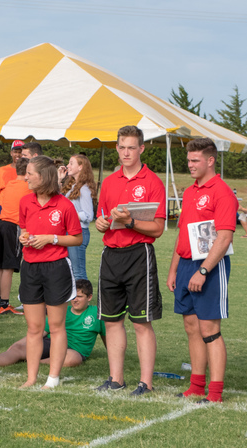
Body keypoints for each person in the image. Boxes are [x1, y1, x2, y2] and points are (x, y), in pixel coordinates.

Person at [94, 125, 167, 395]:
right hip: (110, 255)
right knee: (112, 321)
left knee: (141, 322)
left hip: (139, 255)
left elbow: (158, 229)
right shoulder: (110, 181)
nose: (126, 152)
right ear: (117, 148)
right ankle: (116, 379)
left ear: (141, 149)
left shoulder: (153, 182)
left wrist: (131, 222)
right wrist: (101, 223)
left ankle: (145, 383)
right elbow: (102, 218)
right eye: (122, 147)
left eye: (131, 147)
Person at [167, 137, 237, 403]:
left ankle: (215, 392)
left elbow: (224, 237)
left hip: (209, 266)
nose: (190, 165)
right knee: (191, 326)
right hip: (186, 265)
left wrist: (204, 270)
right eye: (188, 160)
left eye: (195, 160)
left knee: (210, 328)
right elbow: (182, 233)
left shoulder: (222, 192)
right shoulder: (189, 191)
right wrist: (174, 269)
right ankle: (196, 386)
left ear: (210, 160)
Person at [17, 155, 83, 389]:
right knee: (34, 328)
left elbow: (77, 238)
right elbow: (24, 230)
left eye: (30, 173)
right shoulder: (25, 202)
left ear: (44, 177)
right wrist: (24, 237)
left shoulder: (65, 205)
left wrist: (51, 239)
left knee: (55, 327)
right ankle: (31, 378)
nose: (25, 177)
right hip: (30, 268)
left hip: (56, 269)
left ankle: (52, 379)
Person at [0, 279, 104, 372]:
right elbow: (42, 332)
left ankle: (38, 361)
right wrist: (19, 344)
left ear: (89, 297)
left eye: (80, 296)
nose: (75, 300)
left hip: (73, 351)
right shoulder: (63, 311)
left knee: (74, 359)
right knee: (19, 348)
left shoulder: (96, 313)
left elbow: (107, 336)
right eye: (73, 296)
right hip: (52, 344)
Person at [0, 157, 30, 315]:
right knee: (8, 267)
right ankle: (5, 304)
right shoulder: (28, 187)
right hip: (14, 226)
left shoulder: (10, 184)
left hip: (1, 225)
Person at [61, 154, 95, 282]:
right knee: (70, 271)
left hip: (78, 232)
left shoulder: (84, 188)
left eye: (71, 163)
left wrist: (69, 215)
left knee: (78, 272)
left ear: (80, 167)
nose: (67, 166)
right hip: (70, 233)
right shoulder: (73, 186)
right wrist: (59, 179)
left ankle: (83, 300)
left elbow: (88, 215)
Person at [0, 140, 24, 226]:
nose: (18, 155)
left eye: (20, 152)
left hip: (20, 209)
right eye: (15, 152)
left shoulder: (28, 171)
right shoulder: (3, 170)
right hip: (1, 208)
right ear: (11, 153)